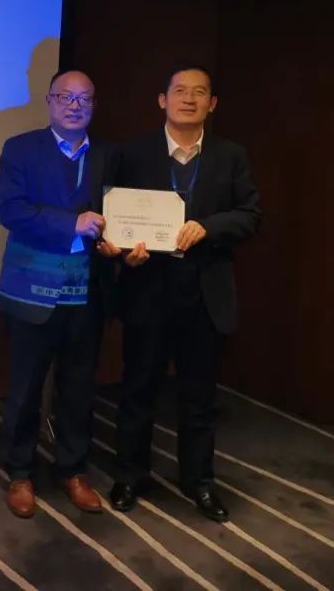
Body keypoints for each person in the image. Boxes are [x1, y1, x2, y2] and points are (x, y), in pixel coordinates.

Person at [105, 65, 260, 522]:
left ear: (212, 104)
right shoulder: (133, 153)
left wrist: (209, 227)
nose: (188, 99)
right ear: (162, 100)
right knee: (138, 390)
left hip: (204, 293)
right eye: (179, 91)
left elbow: (250, 215)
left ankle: (200, 482)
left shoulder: (231, 156)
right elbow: (113, 217)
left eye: (199, 93)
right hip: (148, 288)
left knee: (199, 397)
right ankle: (130, 475)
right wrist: (124, 255)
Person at [0, 69, 119, 518]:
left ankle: (72, 469)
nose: (74, 105)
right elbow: (12, 211)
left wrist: (119, 241)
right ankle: (20, 473)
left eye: (84, 98)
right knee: (25, 387)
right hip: (32, 290)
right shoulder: (20, 148)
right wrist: (72, 223)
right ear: (49, 101)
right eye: (65, 97)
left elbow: (119, 214)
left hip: (87, 291)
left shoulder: (108, 155)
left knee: (79, 388)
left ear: (94, 105)